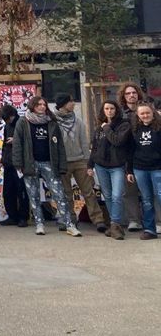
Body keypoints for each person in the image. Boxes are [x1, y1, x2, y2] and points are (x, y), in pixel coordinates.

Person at [12, 95, 81, 237]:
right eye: (39, 105)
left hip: (49, 163)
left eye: (44, 104)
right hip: (30, 163)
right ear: (32, 106)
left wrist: (62, 164)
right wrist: (18, 164)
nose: (42, 107)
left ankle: (69, 224)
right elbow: (17, 144)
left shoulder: (51, 122)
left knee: (59, 194)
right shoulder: (23, 122)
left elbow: (59, 145)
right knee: (34, 195)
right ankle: (39, 223)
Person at [53, 93, 107, 233]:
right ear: (63, 104)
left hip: (80, 160)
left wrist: (88, 163)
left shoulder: (77, 121)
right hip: (63, 162)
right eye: (70, 101)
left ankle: (98, 220)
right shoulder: (53, 121)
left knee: (88, 192)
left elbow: (84, 142)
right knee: (66, 193)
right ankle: (70, 219)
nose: (73, 104)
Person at [88, 100, 131, 239]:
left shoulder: (124, 125)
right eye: (106, 109)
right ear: (103, 111)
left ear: (116, 110)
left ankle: (114, 224)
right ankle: (115, 226)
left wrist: (106, 127)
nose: (109, 111)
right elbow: (94, 148)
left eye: (112, 108)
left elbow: (117, 141)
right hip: (101, 165)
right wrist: (90, 165)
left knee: (117, 195)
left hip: (117, 165)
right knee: (107, 195)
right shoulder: (99, 127)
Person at [127, 102, 161, 240]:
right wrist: (129, 170)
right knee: (146, 200)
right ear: (138, 115)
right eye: (142, 113)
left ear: (153, 113)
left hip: (158, 168)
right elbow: (130, 150)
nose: (145, 115)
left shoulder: (159, 128)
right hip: (140, 168)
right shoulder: (134, 129)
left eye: (148, 113)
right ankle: (150, 230)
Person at [118, 82, 145, 231]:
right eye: (128, 93)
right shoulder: (120, 114)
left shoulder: (147, 109)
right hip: (126, 157)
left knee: (150, 191)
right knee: (130, 191)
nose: (131, 95)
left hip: (146, 155)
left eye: (133, 92)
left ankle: (155, 221)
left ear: (138, 94)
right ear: (124, 96)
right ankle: (134, 220)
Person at [0, 104, 29, 227]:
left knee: (21, 191)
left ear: (12, 115)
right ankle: (12, 216)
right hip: (8, 163)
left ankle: (23, 217)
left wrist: (15, 140)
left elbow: (28, 141)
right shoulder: (7, 126)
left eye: (7, 118)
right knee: (8, 192)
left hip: (20, 164)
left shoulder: (22, 123)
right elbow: (4, 144)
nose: (7, 121)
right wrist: (2, 159)